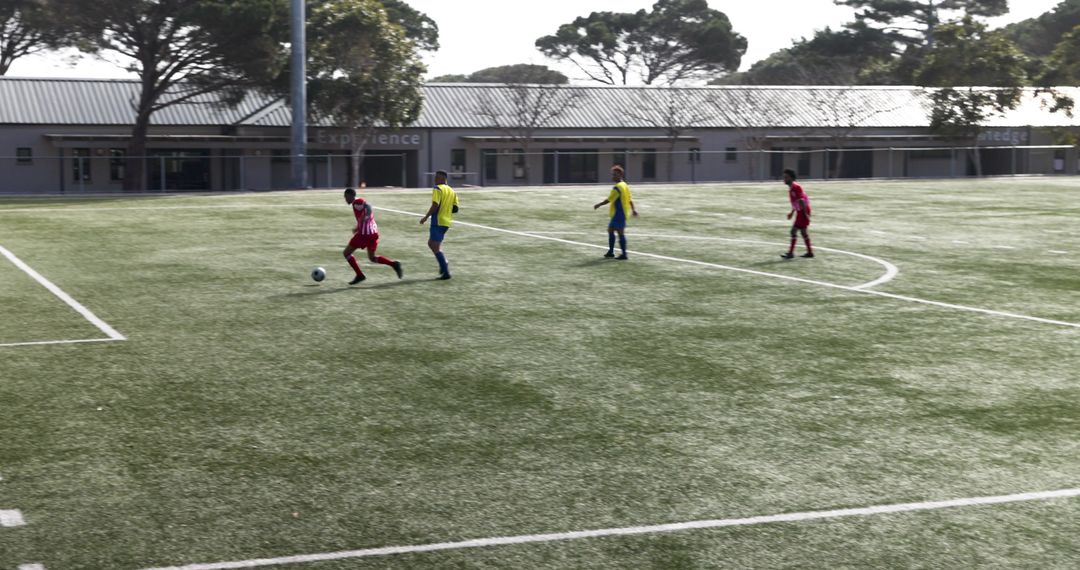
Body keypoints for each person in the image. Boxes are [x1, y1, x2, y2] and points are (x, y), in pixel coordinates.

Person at [343, 187, 403, 285]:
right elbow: (364, 214)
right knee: (372, 258)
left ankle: (360, 275)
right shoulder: (357, 204)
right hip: (373, 233)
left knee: (346, 253)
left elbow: (368, 206)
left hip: (365, 234)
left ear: (350, 196)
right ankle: (394, 264)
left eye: (346, 197)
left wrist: (366, 217)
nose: (345, 199)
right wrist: (358, 227)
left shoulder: (356, 202)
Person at [420, 170, 459, 280]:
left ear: (442, 179)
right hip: (446, 222)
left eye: (436, 178)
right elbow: (455, 209)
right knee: (431, 243)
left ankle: (446, 271)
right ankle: (443, 263)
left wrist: (426, 217)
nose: (435, 180)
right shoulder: (452, 191)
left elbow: (435, 205)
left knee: (435, 246)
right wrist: (446, 208)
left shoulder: (437, 188)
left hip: (437, 221)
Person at [593, 165, 638, 259]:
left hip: (619, 214)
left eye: (615, 174)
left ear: (621, 175)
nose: (613, 176)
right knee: (610, 230)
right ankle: (611, 251)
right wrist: (633, 210)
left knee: (620, 232)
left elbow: (609, 200)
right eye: (613, 174)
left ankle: (624, 254)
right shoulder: (625, 185)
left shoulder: (617, 187)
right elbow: (630, 199)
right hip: (622, 213)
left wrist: (599, 204)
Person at [780, 168, 814, 259]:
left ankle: (791, 253)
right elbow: (796, 202)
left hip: (803, 211)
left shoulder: (795, 187)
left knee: (793, 231)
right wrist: (792, 212)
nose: (784, 179)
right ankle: (810, 252)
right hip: (801, 211)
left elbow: (802, 201)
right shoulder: (792, 188)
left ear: (791, 178)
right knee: (803, 232)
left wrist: (806, 214)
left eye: (786, 177)